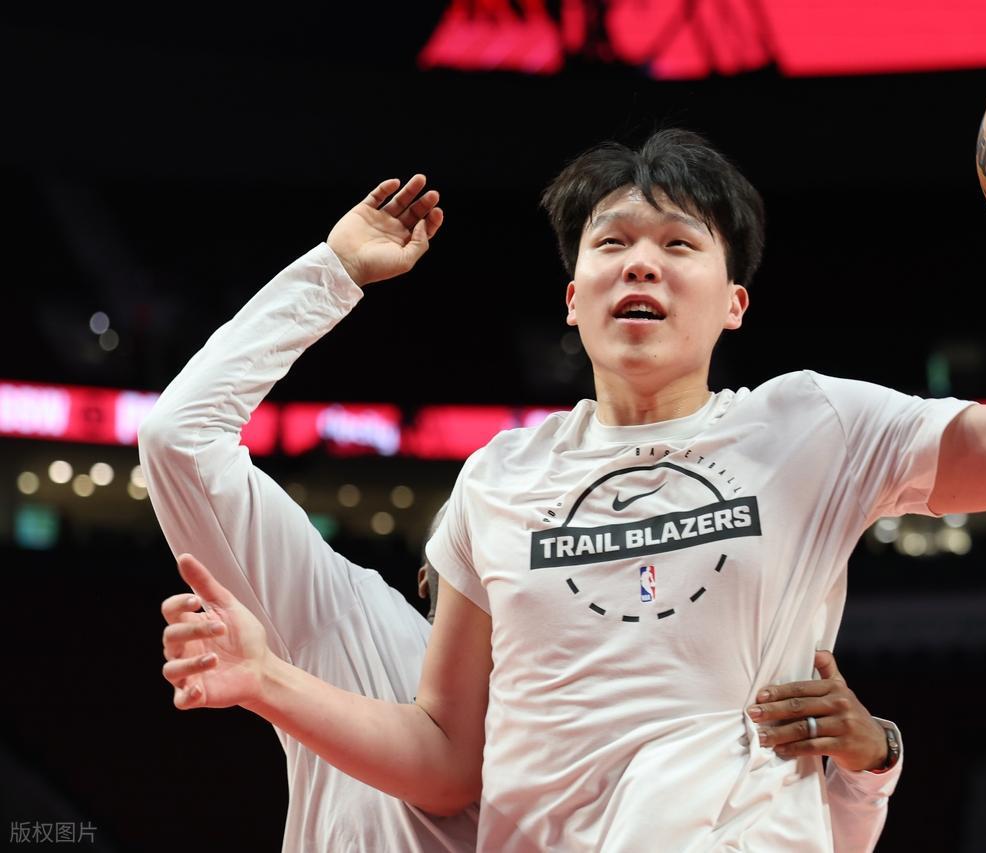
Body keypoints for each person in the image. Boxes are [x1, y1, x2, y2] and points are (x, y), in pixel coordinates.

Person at [157, 48, 986, 851]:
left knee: (710, 775)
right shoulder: (500, 478)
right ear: (571, 298)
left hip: (729, 828)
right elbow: (443, 762)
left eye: (679, 244)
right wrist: (268, 682)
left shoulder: (814, 426)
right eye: (612, 243)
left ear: (734, 302)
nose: (643, 264)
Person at [139, 227, 906, 850]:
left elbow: (816, 835)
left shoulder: (631, 700)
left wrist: (871, 760)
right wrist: (333, 271)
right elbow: (180, 438)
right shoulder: (349, 626)